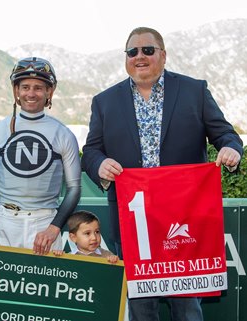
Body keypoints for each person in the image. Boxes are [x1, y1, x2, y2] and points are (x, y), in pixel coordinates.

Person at [81, 27, 243, 321]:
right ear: (126, 58)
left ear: (163, 55)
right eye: (133, 52)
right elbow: (91, 151)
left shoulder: (194, 90)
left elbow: (226, 135)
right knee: (142, 309)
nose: (140, 57)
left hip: (184, 220)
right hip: (134, 221)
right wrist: (99, 164)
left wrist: (231, 150)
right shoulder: (104, 101)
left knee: (187, 309)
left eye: (148, 50)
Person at [0, 57, 81, 255]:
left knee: (43, 286)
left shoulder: (63, 134)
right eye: (25, 87)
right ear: (16, 91)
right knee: (0, 285)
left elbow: (74, 188)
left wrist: (54, 228)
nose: (31, 93)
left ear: (49, 92)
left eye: (38, 87)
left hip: (45, 224)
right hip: (5, 221)